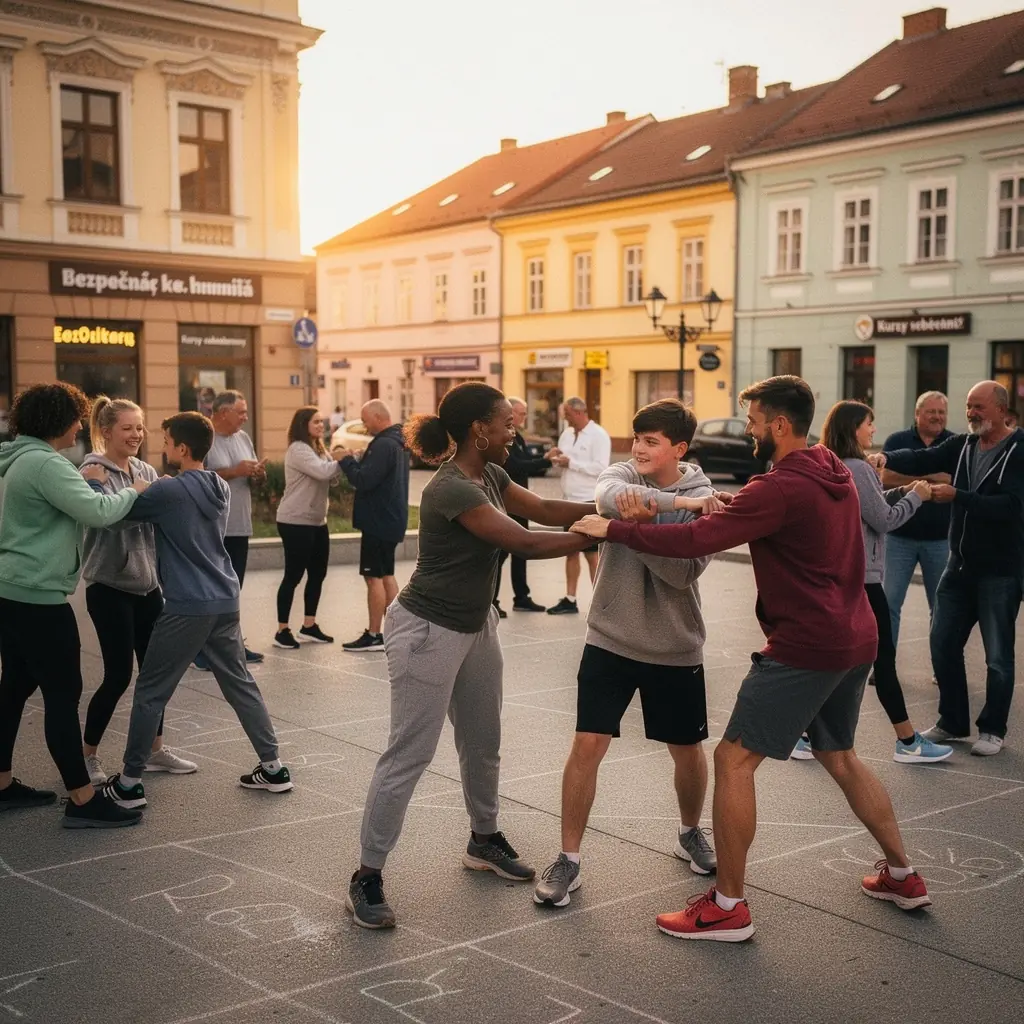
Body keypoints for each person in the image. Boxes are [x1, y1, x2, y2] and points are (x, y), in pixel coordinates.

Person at [571, 376, 931, 942]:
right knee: (840, 757)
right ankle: (904, 877)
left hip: (806, 645)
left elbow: (695, 542)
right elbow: (777, 511)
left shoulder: (778, 486)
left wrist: (614, 528)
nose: (749, 432)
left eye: (755, 422)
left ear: (779, 425)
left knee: (734, 761)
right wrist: (728, 502)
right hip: (855, 634)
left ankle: (727, 907)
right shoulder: (831, 467)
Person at [346, 383, 600, 930]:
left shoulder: (490, 473)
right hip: (426, 630)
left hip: (477, 623)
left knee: (484, 742)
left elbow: (547, 509)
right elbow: (523, 541)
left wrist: (612, 508)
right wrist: (610, 533)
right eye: (508, 424)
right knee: (409, 753)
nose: (516, 432)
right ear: (480, 431)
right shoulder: (450, 489)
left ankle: (483, 840)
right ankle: (366, 874)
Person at [534, 399, 719, 909]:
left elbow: (681, 571)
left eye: (651, 441)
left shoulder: (706, 497)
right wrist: (665, 515)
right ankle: (568, 859)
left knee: (686, 751)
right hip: (610, 638)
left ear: (679, 449)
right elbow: (607, 495)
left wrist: (624, 530)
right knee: (587, 745)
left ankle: (689, 831)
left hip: (675, 644)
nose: (638, 447)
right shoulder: (624, 474)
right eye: (636, 437)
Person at [95, 412, 293, 810]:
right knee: (240, 684)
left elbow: (111, 513)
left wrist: (107, 484)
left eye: (166, 441)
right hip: (224, 598)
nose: (162, 446)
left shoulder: (169, 492)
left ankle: (130, 782)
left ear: (182, 449)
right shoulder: (217, 484)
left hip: (188, 605)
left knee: (151, 690)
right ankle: (273, 768)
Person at [0, 382, 146, 829]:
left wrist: (81, 483)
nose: (82, 426)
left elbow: (42, 508)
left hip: (11, 590)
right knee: (63, 697)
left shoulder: (14, 458)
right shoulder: (46, 463)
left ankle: (1, 784)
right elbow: (100, 513)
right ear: (59, 421)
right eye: (77, 418)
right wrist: (135, 490)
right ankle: (83, 799)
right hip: (39, 598)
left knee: (15, 688)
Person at [871, 381, 1024, 757]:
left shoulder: (1020, 450)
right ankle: (952, 723)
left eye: (979, 408)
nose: (971, 413)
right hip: (958, 568)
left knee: (998, 656)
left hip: (1000, 572)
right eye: (969, 407)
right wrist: (884, 459)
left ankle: (992, 729)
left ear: (1002, 411)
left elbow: (1012, 506)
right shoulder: (964, 445)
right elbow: (923, 458)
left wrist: (961, 497)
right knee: (942, 645)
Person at [812, 401, 952, 765]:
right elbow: (885, 520)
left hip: (846, 576)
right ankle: (907, 742)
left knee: (840, 660)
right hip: (865, 578)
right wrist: (918, 498)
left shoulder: (837, 463)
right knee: (883, 658)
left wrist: (901, 491)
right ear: (854, 427)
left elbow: (869, 506)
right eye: (869, 424)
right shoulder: (856, 467)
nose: (874, 430)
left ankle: (805, 733)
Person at [79, 396, 197, 784]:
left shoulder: (145, 468)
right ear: (108, 430)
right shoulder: (93, 468)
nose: (136, 435)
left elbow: (157, 515)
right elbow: (107, 520)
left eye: (140, 428)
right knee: (118, 675)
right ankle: (88, 756)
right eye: (127, 428)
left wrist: (152, 498)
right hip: (110, 586)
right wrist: (142, 497)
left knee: (155, 673)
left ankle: (154, 750)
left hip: (148, 587)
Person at [880, 392, 954, 654]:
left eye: (941, 412)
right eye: (931, 411)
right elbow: (884, 477)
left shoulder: (954, 443)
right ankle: (884, 666)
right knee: (888, 603)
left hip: (940, 540)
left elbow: (953, 480)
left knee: (942, 607)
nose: (937, 417)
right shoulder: (897, 441)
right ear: (917, 414)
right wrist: (925, 482)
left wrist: (912, 476)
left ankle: (942, 668)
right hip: (899, 536)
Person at [335, 400, 410, 652]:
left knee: (373, 577)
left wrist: (346, 460)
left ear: (379, 417)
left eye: (366, 419)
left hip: (378, 521)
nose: (364, 424)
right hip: (391, 519)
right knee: (386, 574)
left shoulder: (384, 444)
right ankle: (395, 631)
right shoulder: (398, 442)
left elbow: (363, 479)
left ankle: (374, 633)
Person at [204, 390, 265, 665]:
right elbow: (197, 476)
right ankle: (205, 648)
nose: (245, 417)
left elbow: (247, 473)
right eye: (240, 412)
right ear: (223, 412)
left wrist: (256, 474)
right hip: (213, 527)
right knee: (211, 589)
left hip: (240, 524)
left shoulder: (243, 437)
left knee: (234, 587)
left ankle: (233, 645)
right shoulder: (205, 437)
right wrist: (234, 471)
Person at [273, 407, 341, 650]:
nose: (321, 425)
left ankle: (309, 626)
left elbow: (331, 477)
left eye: (322, 422)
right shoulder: (298, 449)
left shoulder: (318, 448)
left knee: (318, 573)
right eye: (316, 422)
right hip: (295, 520)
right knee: (293, 575)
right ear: (303, 424)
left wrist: (338, 462)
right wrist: (343, 460)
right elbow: (323, 472)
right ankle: (282, 630)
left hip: (317, 520)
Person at [547, 397, 611, 616]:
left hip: (587, 501)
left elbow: (601, 467)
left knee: (591, 554)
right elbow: (566, 461)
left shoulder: (599, 435)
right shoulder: (566, 434)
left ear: (579, 412)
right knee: (570, 551)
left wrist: (570, 462)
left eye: (567, 413)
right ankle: (570, 598)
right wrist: (557, 457)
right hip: (568, 499)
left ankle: (599, 602)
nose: (564, 417)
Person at [493, 396, 552, 615]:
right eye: (521, 413)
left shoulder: (517, 436)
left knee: (521, 550)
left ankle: (521, 597)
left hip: (521, 501)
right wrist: (546, 461)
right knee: (499, 553)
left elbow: (526, 461)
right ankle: (492, 601)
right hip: (505, 501)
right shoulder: (503, 436)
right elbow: (516, 465)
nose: (524, 417)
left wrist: (545, 458)